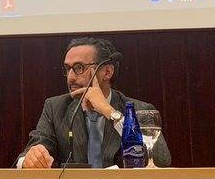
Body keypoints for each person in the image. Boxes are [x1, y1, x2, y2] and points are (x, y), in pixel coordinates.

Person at [17, 37, 171, 169]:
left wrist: (109, 112)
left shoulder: (138, 110)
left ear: (107, 72)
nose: (70, 77)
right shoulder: (55, 107)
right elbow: (30, 153)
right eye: (67, 69)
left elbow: (161, 161)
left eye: (79, 68)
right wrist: (29, 159)